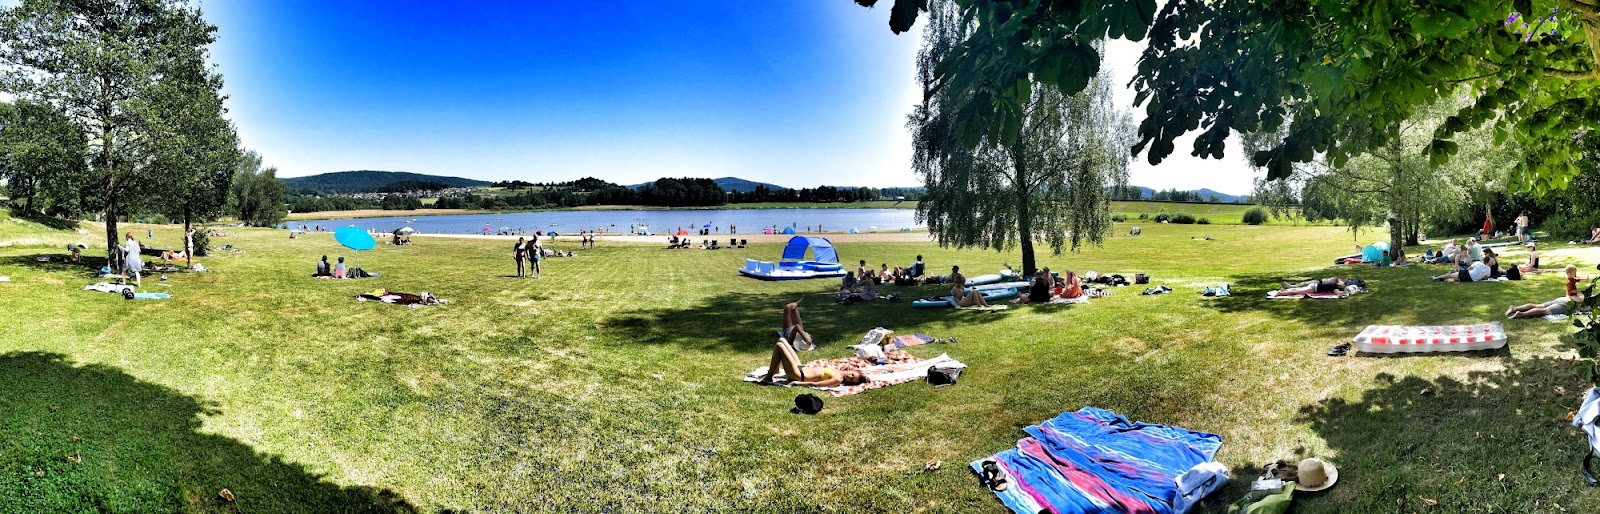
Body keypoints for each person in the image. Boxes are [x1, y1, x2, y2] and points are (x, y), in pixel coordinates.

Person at [758, 339, 865, 388]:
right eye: (852, 375)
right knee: (782, 340)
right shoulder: (842, 371)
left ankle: (768, 377)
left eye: (851, 380)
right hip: (801, 367)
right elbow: (848, 365)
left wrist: (798, 383)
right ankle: (775, 370)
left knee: (779, 346)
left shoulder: (838, 379)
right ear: (853, 371)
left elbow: (816, 384)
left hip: (799, 375)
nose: (849, 377)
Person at [1506, 265, 1583, 319]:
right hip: (1566, 303)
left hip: (1563, 299)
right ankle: (1521, 314)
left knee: (1538, 306)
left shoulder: (1581, 297)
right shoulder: (1586, 302)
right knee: (1544, 311)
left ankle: (1514, 309)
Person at [1274, 277, 1360, 296]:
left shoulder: (1334, 284)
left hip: (1314, 285)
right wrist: (1346, 292)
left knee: (1298, 289)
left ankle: (1284, 290)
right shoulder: (1335, 287)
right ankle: (1281, 293)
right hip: (1314, 288)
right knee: (1297, 292)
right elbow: (1337, 293)